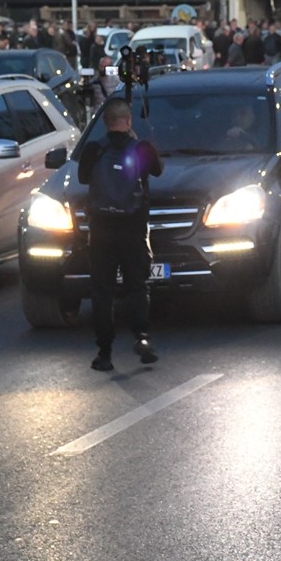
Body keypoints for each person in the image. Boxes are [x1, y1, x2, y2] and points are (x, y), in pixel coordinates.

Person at [77, 97, 163, 372]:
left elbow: (82, 178)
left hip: (102, 230)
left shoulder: (93, 150)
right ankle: (142, 337)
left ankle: (104, 352)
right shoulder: (141, 148)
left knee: (102, 291)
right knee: (137, 285)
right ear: (128, 121)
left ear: (105, 123)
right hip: (133, 229)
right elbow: (158, 171)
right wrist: (139, 143)